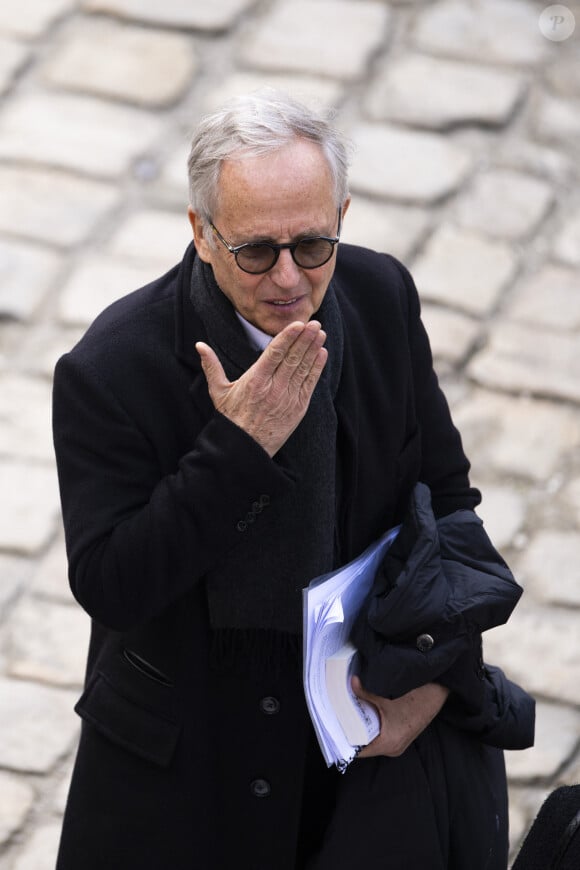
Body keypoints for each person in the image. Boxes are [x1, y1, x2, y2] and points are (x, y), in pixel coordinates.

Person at [52, 90, 534, 870]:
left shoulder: (378, 299)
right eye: (256, 251)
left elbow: (447, 502)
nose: (288, 278)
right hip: (188, 771)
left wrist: (437, 683)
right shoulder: (113, 369)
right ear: (201, 234)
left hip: (357, 755)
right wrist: (239, 450)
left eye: (314, 245)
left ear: (342, 214)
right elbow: (114, 584)